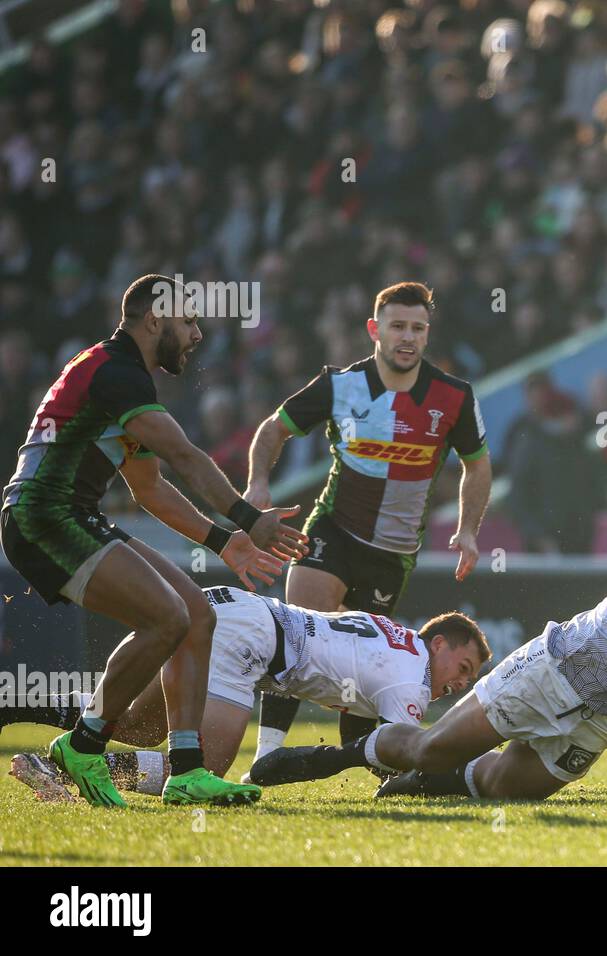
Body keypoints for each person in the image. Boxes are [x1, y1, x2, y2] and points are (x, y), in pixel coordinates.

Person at [0, 274, 307, 807]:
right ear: (154, 320)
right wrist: (246, 517)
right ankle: (84, 743)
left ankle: (186, 772)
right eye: (188, 322)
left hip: (62, 514)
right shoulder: (118, 374)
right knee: (166, 618)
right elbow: (185, 457)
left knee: (196, 613)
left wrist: (223, 540)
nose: (197, 335)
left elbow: (149, 487)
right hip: (44, 516)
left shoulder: (117, 374)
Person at [247, 529, 607, 802]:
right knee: (432, 746)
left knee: (507, 788)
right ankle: (340, 756)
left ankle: (427, 785)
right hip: (562, 668)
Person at [241, 281, 491, 769]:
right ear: (375, 329)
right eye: (398, 326)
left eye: (418, 328)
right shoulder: (340, 386)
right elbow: (273, 429)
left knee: (365, 661)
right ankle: (266, 758)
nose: (408, 337)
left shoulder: (454, 396)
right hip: (332, 531)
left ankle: (359, 764)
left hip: (392, 552)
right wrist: (257, 486)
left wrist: (468, 528)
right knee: (296, 631)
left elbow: (478, 465)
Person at [7, 586, 489, 803]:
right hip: (251, 638)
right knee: (203, 768)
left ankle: (20, 703)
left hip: (236, 610)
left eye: (469, 679)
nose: (461, 682)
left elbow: (363, 723)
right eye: (463, 668)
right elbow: (399, 750)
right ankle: (64, 772)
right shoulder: (412, 677)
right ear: (438, 643)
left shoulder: (396, 640)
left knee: (139, 724)